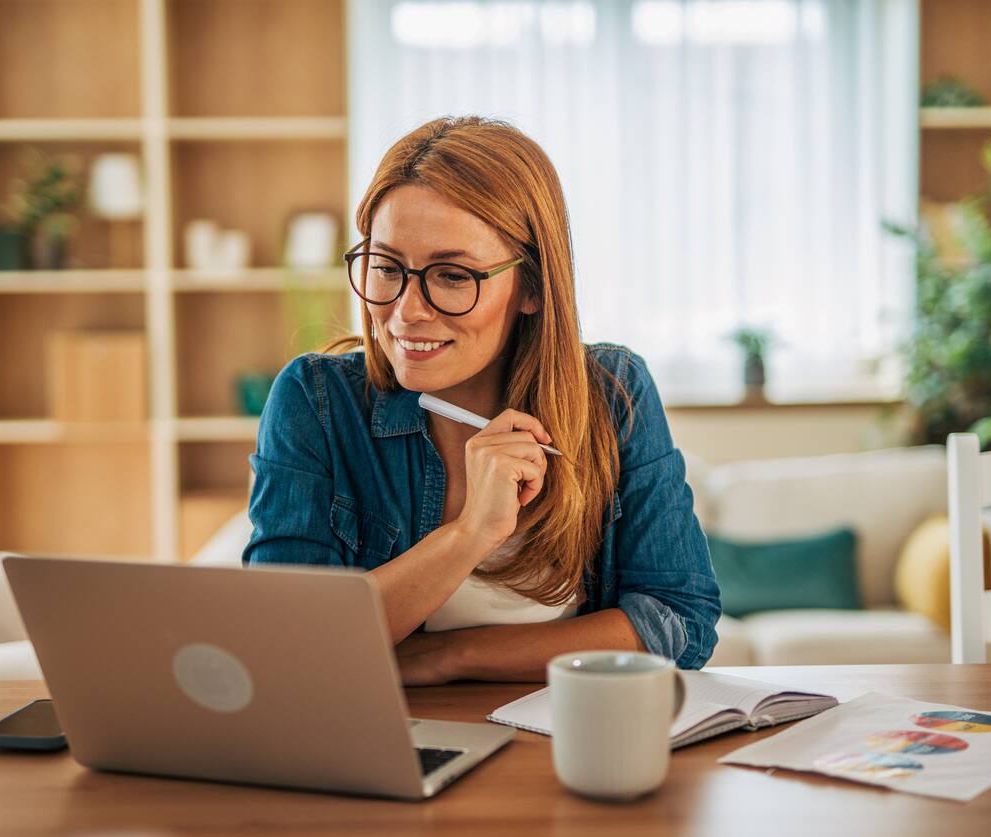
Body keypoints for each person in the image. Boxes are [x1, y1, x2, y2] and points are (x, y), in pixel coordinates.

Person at [243, 115, 720, 685]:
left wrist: (453, 657)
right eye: (386, 266)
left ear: (534, 287)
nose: (406, 311)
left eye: (451, 275)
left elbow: (679, 623)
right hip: (390, 742)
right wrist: (471, 533)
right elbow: (285, 644)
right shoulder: (316, 401)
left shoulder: (613, 393)